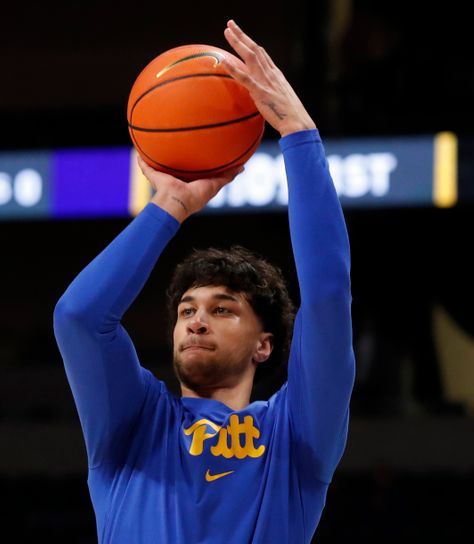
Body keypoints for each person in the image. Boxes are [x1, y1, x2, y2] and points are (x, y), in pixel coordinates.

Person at [53, 19, 355, 544]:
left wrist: (299, 135)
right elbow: (80, 318)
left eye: (222, 309)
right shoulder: (134, 421)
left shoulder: (293, 433)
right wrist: (168, 206)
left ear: (265, 345)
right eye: (187, 310)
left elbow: (328, 298)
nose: (195, 321)